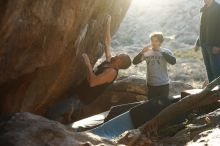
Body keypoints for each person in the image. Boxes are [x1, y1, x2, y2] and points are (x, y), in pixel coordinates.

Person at [46, 16, 131, 123]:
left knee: (51, 112)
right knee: (64, 109)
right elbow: (107, 43)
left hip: (82, 98)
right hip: (80, 91)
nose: (117, 54)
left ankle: (49, 130)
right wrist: (108, 24)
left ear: (120, 62)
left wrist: (88, 64)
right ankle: (67, 119)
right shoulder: (110, 61)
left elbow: (92, 82)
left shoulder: (111, 72)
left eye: (119, 56)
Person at [133, 32, 176, 99]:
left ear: (160, 42)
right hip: (151, 84)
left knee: (163, 106)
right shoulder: (147, 52)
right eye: (152, 41)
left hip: (164, 84)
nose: (154, 43)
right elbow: (135, 62)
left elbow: (173, 62)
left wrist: (161, 51)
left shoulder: (166, 51)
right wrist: (141, 52)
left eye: (156, 41)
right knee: (152, 106)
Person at [194, 0, 220, 82]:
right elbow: (203, 28)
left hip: (213, 46)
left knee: (217, 72)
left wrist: (218, 45)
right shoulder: (205, 9)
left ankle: (218, 93)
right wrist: (198, 42)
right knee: (209, 71)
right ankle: (212, 93)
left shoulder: (218, 8)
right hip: (204, 45)